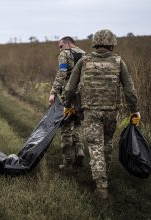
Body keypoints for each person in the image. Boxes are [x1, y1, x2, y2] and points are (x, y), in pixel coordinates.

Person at [62, 29, 141, 199]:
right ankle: (104, 177)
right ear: (112, 43)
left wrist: (66, 105)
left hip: (91, 111)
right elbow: (129, 89)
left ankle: (101, 186)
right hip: (112, 112)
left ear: (95, 43)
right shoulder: (119, 62)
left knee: (95, 145)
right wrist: (135, 110)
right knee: (107, 143)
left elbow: (70, 88)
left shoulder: (84, 62)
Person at [48, 36, 86, 171]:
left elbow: (62, 73)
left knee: (65, 127)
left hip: (68, 95)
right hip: (82, 96)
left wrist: (53, 92)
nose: (60, 49)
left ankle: (68, 161)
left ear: (69, 44)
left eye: (61, 46)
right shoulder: (84, 54)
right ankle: (80, 150)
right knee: (77, 124)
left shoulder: (64, 54)